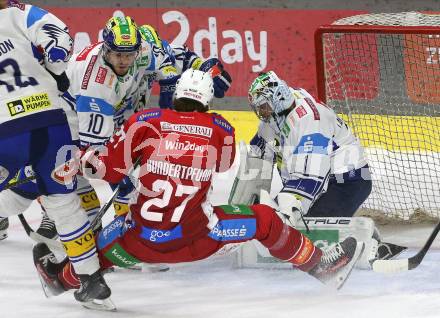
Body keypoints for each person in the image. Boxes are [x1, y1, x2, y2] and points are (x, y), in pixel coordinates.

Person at [32, 69, 364, 310]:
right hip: (199, 239)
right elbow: (224, 164)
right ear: (207, 100)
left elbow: (104, 168)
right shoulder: (219, 127)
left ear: (176, 94)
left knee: (98, 248)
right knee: (265, 220)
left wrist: (83, 158)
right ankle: (320, 265)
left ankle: (61, 279)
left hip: (139, 245)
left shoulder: (144, 121)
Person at [232, 70, 404, 267]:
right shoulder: (280, 110)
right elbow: (259, 152)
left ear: (278, 99)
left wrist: (288, 212)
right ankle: (351, 232)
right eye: (259, 108)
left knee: (298, 237)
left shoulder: (310, 123)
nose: (261, 113)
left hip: (347, 182)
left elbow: (310, 178)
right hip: (319, 179)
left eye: (263, 107)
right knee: (281, 224)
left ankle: (368, 244)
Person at [0, 0, 111, 305]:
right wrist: (55, 67)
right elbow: (59, 38)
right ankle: (91, 278)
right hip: (51, 122)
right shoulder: (23, 12)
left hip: (5, 131)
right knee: (63, 202)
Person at [136, 24, 232, 110]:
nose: (124, 60)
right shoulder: (128, 58)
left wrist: (206, 69)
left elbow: (186, 57)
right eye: (121, 54)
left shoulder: (157, 53)